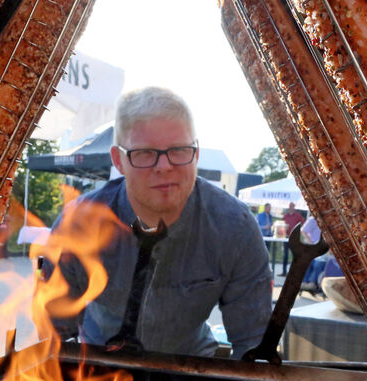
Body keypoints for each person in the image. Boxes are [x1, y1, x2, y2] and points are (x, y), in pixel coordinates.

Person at [46, 86, 272, 358]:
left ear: (196, 154)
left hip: (192, 374)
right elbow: (54, 332)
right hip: (100, 374)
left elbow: (252, 343)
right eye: (144, 153)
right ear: (119, 160)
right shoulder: (78, 225)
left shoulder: (234, 228)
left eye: (178, 150)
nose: (164, 166)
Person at [280, 202, 305, 275]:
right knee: (285, 255)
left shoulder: (298, 215)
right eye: (290, 206)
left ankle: (293, 272)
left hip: (294, 238)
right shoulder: (286, 216)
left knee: (294, 255)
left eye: (292, 206)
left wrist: (300, 231)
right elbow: (281, 224)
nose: (291, 208)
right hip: (286, 237)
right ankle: (284, 272)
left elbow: (303, 223)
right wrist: (284, 227)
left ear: (294, 207)